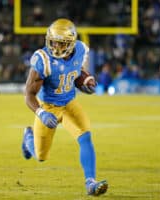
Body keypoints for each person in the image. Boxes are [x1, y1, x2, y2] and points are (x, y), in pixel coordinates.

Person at [22, 18, 108, 196]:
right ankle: (28, 139)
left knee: (85, 137)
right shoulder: (43, 59)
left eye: (61, 43)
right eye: (53, 42)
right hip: (48, 107)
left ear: (71, 43)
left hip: (69, 104)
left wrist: (86, 80)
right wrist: (41, 113)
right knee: (41, 155)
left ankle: (90, 183)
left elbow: (75, 72)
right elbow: (28, 95)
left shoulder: (81, 50)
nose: (55, 47)